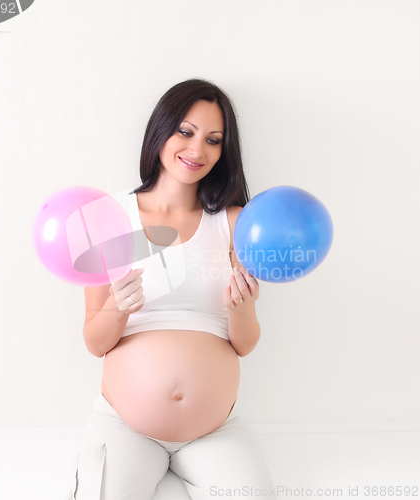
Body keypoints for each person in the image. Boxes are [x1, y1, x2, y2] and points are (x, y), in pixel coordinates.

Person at [72, 79, 276, 499]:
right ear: (160, 130)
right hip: (125, 427)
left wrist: (241, 311)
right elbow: (94, 341)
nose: (197, 150)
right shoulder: (108, 218)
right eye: (185, 131)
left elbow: (246, 343)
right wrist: (118, 308)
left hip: (214, 432)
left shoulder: (235, 223)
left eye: (213, 140)